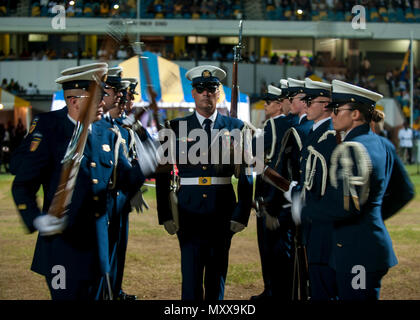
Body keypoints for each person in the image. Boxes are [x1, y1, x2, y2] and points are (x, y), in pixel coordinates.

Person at [294, 79, 415, 300]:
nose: (332, 115)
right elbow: (405, 191)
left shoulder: (351, 149)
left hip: (356, 252)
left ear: (356, 114)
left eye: (338, 109)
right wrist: (373, 216)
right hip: (367, 243)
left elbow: (340, 207)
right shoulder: (383, 144)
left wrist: (301, 209)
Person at [11, 62, 109, 299]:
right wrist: (36, 219)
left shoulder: (103, 132)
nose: (103, 103)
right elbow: (22, 182)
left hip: (96, 247)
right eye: (97, 97)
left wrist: (145, 165)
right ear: (74, 101)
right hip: (63, 247)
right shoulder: (52, 131)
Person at [155, 65, 253, 300]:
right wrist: (165, 214)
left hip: (222, 209)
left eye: (212, 88)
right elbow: (163, 173)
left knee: (217, 275)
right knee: (190, 275)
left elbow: (246, 174)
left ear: (220, 93)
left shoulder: (236, 128)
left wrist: (242, 213)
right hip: (188, 210)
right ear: (193, 93)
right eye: (201, 88)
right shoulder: (175, 128)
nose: (206, 93)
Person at [287, 78, 338, 300]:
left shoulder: (327, 136)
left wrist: (295, 193)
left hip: (323, 225)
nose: (305, 104)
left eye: (310, 99)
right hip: (313, 223)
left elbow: (318, 184)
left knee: (323, 289)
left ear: (326, 104)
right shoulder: (316, 132)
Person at [251, 84, 295, 300]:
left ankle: (273, 291)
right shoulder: (288, 123)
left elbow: (253, 151)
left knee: (271, 248)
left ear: (279, 105)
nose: (265, 106)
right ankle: (274, 290)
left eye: (268, 102)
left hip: (271, 191)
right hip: (278, 191)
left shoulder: (273, 125)